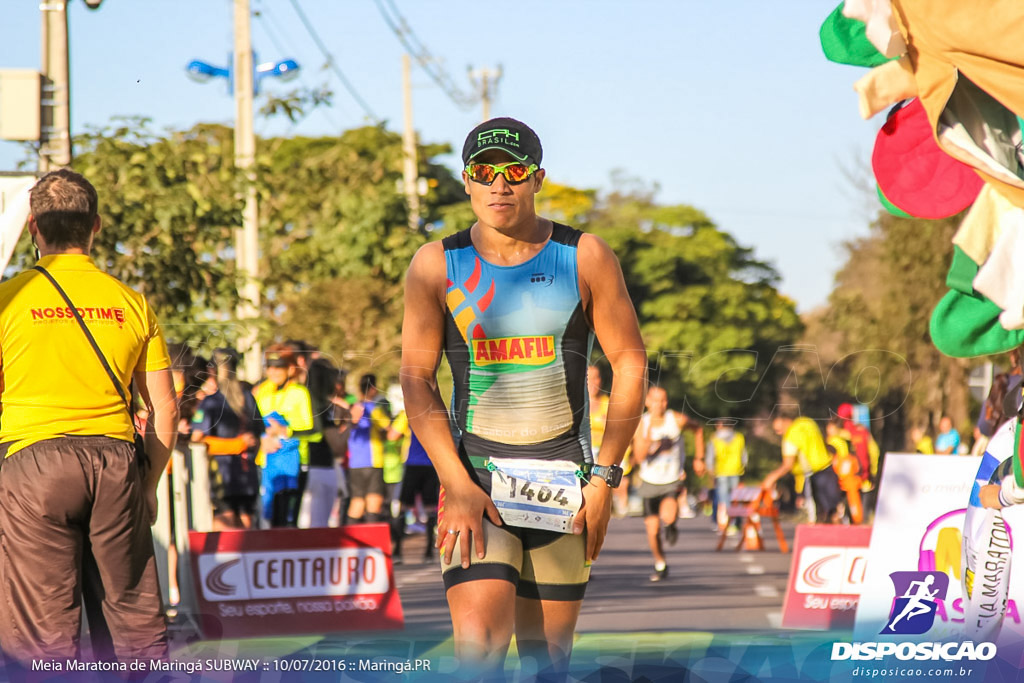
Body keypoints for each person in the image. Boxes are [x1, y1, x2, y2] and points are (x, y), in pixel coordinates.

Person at [400, 117, 646, 678]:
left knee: (547, 665)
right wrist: (456, 483)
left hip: (565, 481)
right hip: (477, 479)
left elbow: (630, 361)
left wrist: (605, 479)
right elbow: (416, 379)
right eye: (484, 173)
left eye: (514, 172)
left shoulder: (583, 256)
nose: (499, 185)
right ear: (467, 181)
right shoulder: (437, 263)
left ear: (538, 179)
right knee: (479, 651)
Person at [0, 169, 178, 665]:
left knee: (43, 626)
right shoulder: (132, 303)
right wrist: (149, 484)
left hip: (32, 464)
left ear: (33, 227)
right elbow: (165, 407)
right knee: (132, 619)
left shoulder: (7, 301)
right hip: (117, 462)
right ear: (95, 226)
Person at [632, 385, 702, 581]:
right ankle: (660, 562)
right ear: (647, 402)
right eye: (654, 400)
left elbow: (698, 430)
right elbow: (638, 458)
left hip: (671, 479)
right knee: (652, 531)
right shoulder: (641, 424)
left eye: (663, 400)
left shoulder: (676, 420)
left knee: (669, 515)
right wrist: (647, 443)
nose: (659, 404)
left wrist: (699, 458)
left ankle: (671, 525)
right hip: (649, 481)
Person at [191, 348, 263, 530]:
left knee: (226, 538)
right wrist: (239, 445)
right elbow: (257, 437)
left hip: (224, 475)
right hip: (247, 474)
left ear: (212, 371)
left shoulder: (212, 401)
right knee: (247, 531)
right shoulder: (248, 397)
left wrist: (236, 446)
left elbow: (198, 440)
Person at [253, 346, 317, 527]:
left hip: (294, 461)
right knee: (269, 513)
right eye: (270, 367)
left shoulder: (300, 393)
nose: (273, 372)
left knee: (289, 514)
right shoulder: (263, 392)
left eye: (278, 367)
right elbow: (255, 423)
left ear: (289, 369)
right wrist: (263, 440)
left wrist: (284, 430)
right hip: (267, 460)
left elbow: (310, 427)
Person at [763, 410, 841, 524]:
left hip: (812, 474)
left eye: (779, 429)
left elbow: (787, 465)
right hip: (828, 467)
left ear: (786, 421)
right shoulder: (808, 422)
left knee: (815, 514)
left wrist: (771, 477)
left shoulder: (791, 436)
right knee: (833, 510)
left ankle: (817, 536)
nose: (779, 433)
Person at [298, 357, 345, 528]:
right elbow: (338, 446)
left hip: (314, 468)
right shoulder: (320, 407)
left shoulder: (306, 401)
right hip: (319, 470)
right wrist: (350, 424)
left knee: (311, 524)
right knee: (317, 526)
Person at [346, 373, 391, 525]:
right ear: (373, 388)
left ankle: (350, 543)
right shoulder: (373, 409)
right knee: (374, 502)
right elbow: (389, 430)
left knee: (356, 502)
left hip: (354, 464)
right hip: (373, 461)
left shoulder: (353, 408)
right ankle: (372, 544)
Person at [704, 418, 746, 536]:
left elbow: (710, 457)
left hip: (721, 472)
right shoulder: (739, 437)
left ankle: (726, 524)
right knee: (735, 499)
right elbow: (744, 456)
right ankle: (734, 525)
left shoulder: (715, 438)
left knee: (723, 501)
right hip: (736, 471)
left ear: (720, 425)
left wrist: (710, 470)